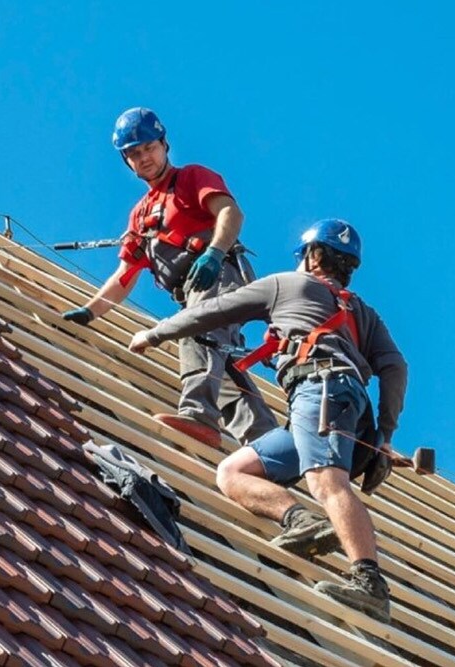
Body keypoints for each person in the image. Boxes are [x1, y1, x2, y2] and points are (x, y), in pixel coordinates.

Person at [127, 219, 408, 622]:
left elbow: (214, 310)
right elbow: (395, 366)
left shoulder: (286, 285)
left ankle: (370, 584)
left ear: (312, 256)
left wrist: (156, 333)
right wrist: (384, 433)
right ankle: (301, 521)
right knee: (233, 470)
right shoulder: (364, 313)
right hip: (338, 404)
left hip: (321, 389)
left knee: (327, 483)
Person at [61, 107, 277, 448]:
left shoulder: (191, 177)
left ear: (164, 145)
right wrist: (89, 312)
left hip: (218, 274)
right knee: (224, 364)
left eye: (149, 147)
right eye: (134, 153)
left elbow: (230, 212)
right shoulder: (141, 215)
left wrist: (215, 252)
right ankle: (268, 443)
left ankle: (198, 416)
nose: (144, 157)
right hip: (192, 289)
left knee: (195, 326)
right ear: (126, 161)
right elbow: (124, 276)